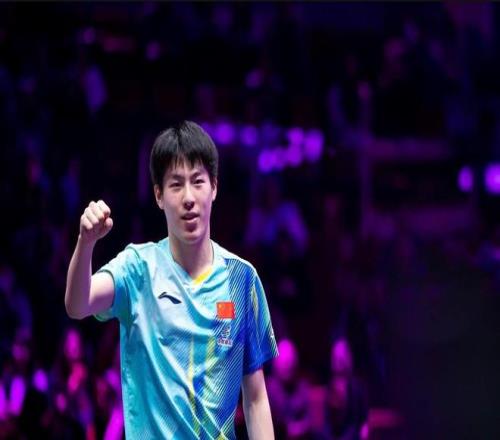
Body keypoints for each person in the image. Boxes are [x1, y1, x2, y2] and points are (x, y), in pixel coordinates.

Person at [64, 120, 278, 439]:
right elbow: (78, 304)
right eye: (176, 185)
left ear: (214, 188)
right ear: (159, 196)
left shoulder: (241, 279)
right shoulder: (138, 269)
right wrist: (86, 243)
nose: (188, 197)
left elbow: (256, 399)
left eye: (198, 181)